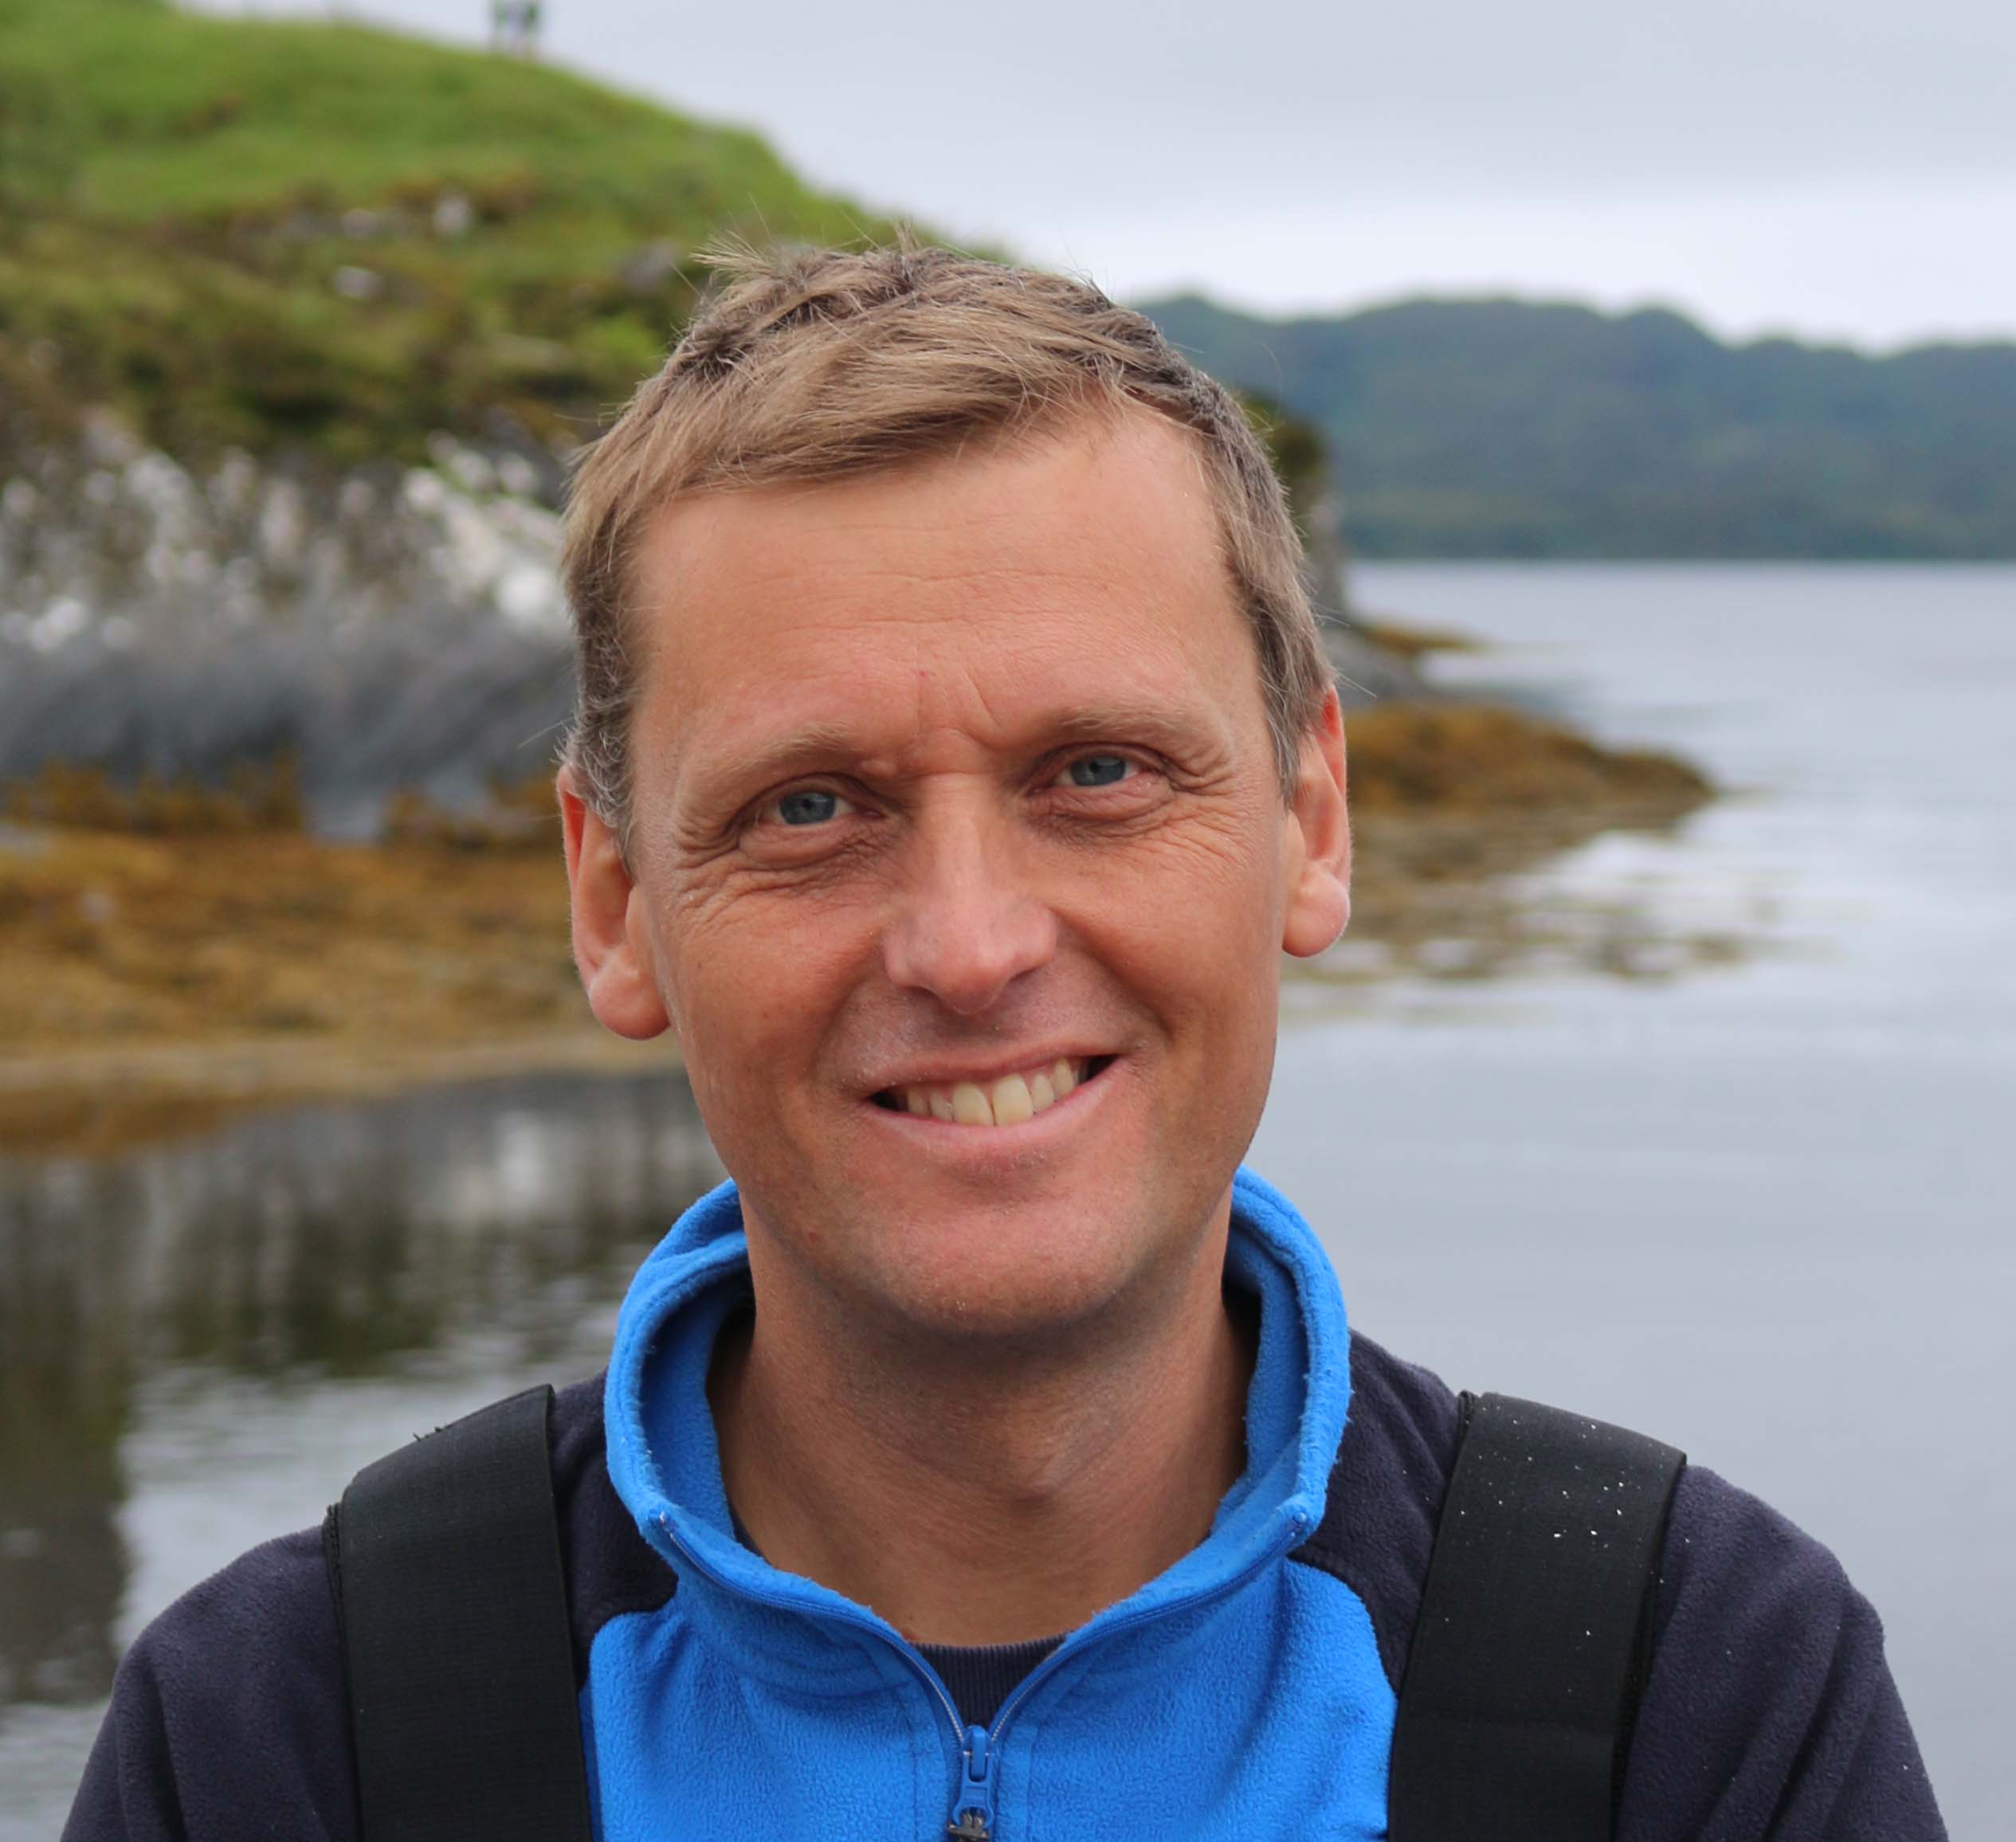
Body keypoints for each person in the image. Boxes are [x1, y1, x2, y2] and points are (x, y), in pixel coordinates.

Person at [64, 245, 1946, 1840]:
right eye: (809, 807)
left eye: (1097, 772)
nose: (968, 949)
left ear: (1308, 819)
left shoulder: (1684, 1686)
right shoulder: (297, 1732)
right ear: (613, 902)